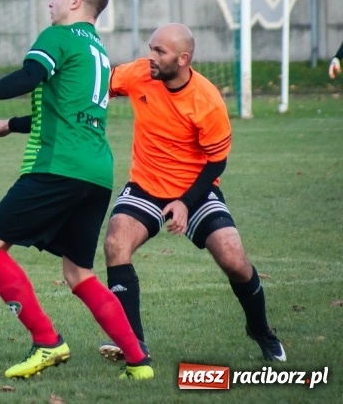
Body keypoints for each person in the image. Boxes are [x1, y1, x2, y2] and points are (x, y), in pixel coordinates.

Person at [0, 0, 153, 380]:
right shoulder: (98, 51)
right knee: (79, 273)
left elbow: (29, 78)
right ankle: (138, 362)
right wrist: (9, 125)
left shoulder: (56, 36)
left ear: (76, 2)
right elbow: (66, 111)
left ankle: (47, 341)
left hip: (57, 167)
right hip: (95, 172)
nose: (50, 2)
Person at [97, 23, 286, 363]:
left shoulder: (207, 100)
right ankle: (134, 344)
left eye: (160, 52)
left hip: (195, 190)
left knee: (234, 259)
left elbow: (216, 163)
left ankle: (262, 331)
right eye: (150, 48)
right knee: (115, 243)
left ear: (183, 59)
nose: (150, 57)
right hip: (146, 184)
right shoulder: (139, 74)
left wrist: (184, 202)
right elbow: (98, 85)